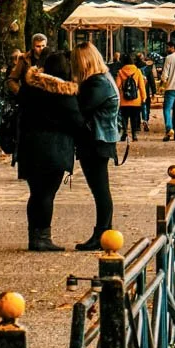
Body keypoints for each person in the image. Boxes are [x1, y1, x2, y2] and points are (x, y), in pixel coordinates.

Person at [16, 50, 84, 252]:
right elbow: (76, 122)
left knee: (35, 193)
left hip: (29, 146)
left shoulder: (30, 88)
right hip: (53, 148)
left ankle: (34, 235)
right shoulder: (62, 93)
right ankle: (43, 237)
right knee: (47, 193)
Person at [68, 44, 120, 251]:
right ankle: (104, 231)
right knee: (100, 189)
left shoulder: (97, 84)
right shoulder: (104, 79)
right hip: (101, 139)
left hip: (97, 141)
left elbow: (80, 110)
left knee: (100, 189)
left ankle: (102, 233)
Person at [114, 52, 147, 141]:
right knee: (134, 117)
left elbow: (117, 86)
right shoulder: (137, 71)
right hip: (136, 99)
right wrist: (144, 97)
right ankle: (134, 134)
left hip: (124, 100)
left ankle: (124, 133)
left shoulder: (120, 72)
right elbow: (141, 86)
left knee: (124, 117)